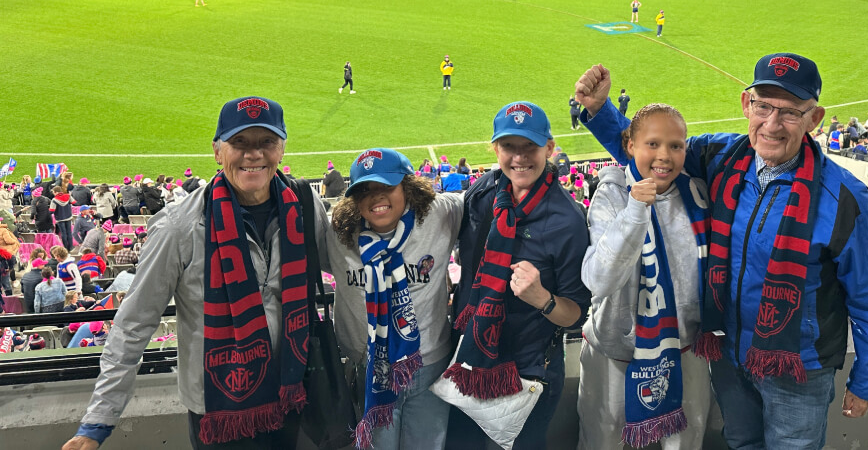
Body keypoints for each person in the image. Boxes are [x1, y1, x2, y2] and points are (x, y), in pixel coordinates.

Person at [575, 55, 868, 449]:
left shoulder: (844, 196)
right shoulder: (721, 157)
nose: (772, 124)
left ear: (815, 118)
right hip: (728, 356)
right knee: (741, 443)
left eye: (790, 112)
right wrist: (599, 110)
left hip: (799, 369)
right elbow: (653, 155)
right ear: (747, 104)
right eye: (763, 106)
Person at [62, 96, 343, 450]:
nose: (253, 154)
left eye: (266, 142)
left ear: (282, 148)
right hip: (221, 413)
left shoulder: (305, 205)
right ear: (217, 151)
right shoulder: (178, 228)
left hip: (297, 396)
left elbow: (352, 269)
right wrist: (96, 425)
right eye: (239, 142)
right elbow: (134, 323)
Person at [446, 101, 590, 450]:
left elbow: (576, 315)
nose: (519, 157)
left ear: (550, 149)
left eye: (531, 147)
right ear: (495, 148)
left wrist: (542, 298)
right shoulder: (484, 192)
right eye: (510, 146)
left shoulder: (567, 221)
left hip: (527, 372)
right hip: (469, 360)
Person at [577, 103, 712, 450]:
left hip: (685, 348)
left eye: (676, 146)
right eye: (652, 144)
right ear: (629, 146)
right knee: (603, 438)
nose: (664, 156)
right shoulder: (610, 195)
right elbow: (599, 279)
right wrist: (635, 210)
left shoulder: (697, 193)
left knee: (686, 439)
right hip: (614, 351)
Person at [329, 148, 464, 448]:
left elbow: (485, 199)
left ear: (408, 186)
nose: (376, 197)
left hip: (429, 366)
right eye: (365, 190)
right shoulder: (337, 233)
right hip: (369, 370)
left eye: (386, 186)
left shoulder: (441, 214)